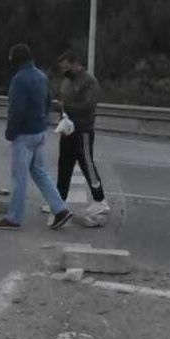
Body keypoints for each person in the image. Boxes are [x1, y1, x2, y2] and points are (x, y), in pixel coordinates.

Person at [0, 44, 73, 230]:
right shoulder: (41, 76)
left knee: (19, 177)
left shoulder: (19, 80)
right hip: (39, 131)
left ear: (16, 59)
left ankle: (13, 218)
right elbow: (48, 102)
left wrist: (10, 132)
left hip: (24, 134)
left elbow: (16, 110)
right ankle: (60, 209)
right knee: (39, 172)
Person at [54, 50, 108, 215]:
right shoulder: (67, 81)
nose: (64, 72)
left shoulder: (88, 81)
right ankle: (59, 201)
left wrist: (67, 106)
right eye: (62, 69)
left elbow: (89, 105)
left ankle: (100, 200)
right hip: (68, 129)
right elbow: (63, 98)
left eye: (66, 67)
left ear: (75, 64)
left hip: (83, 129)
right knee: (64, 165)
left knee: (87, 164)